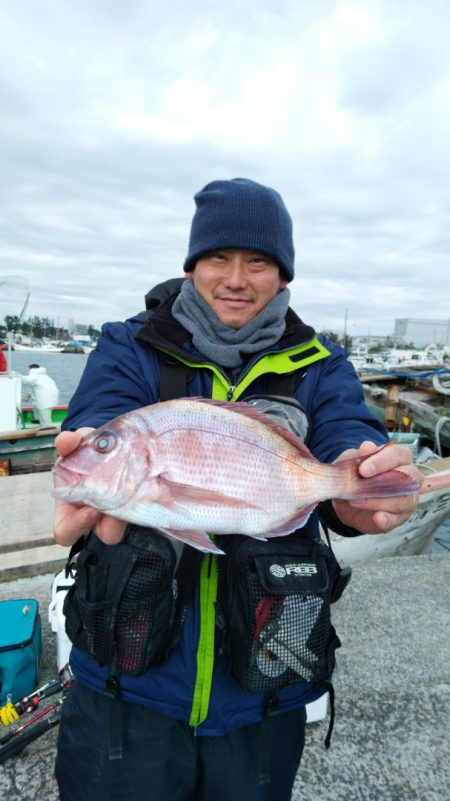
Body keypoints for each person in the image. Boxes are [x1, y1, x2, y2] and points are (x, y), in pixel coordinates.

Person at [53, 178, 422, 801]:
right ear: (192, 265)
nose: (235, 278)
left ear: (283, 277)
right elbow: (101, 418)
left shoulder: (321, 365)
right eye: (218, 258)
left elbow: (346, 438)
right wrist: (90, 449)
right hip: (126, 682)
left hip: (263, 687)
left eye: (258, 262)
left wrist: (360, 482)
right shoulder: (129, 345)